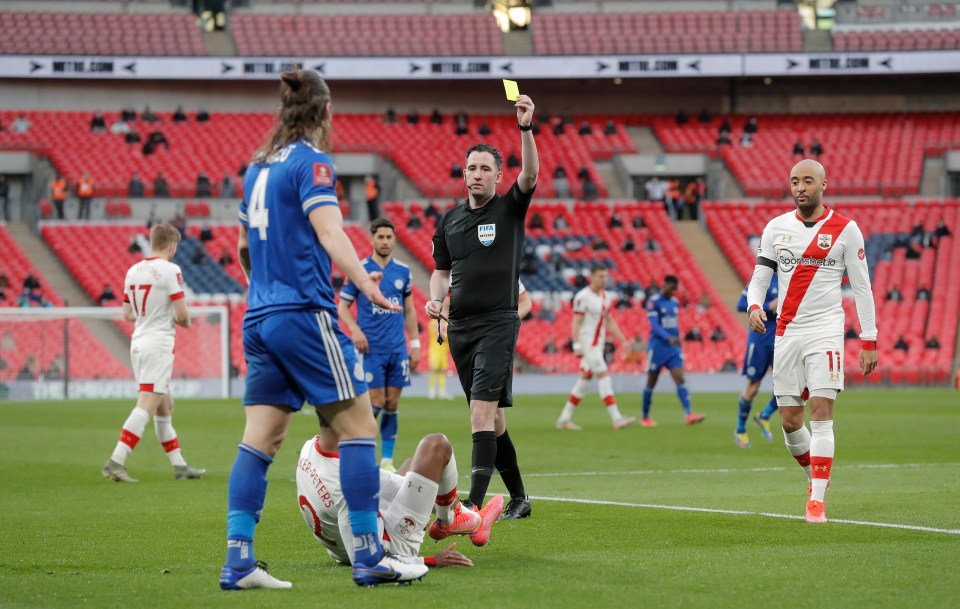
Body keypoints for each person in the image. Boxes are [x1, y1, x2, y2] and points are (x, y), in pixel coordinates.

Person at [222, 69, 424, 590]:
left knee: (259, 441)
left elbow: (244, 247)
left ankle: (239, 561)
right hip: (303, 314)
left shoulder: (257, 169)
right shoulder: (312, 163)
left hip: (259, 318)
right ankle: (368, 556)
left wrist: (263, 291)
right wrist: (368, 285)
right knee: (360, 428)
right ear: (325, 111)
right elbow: (332, 233)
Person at [425, 93, 539, 522]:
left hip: (498, 321)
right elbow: (440, 270)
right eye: (471, 167)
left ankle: (470, 505)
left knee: (479, 412)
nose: (476, 174)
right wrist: (437, 299)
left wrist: (525, 128)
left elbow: (531, 173)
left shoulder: (509, 208)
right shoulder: (450, 220)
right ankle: (520, 498)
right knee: (492, 421)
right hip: (460, 328)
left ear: (498, 175)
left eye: (485, 168)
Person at [747, 158, 878, 524]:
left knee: (822, 414)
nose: (800, 187)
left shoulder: (846, 230)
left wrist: (869, 340)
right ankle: (815, 477)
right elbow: (759, 277)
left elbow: (862, 287)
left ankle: (816, 502)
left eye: (807, 181)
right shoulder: (776, 228)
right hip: (787, 332)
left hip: (826, 331)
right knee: (790, 421)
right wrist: (755, 304)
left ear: (824, 185)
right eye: (794, 181)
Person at [296, 421, 500, 574]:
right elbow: (367, 561)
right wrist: (429, 560)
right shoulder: (349, 486)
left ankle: (458, 515)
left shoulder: (311, 448)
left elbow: (382, 482)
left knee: (414, 467)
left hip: (346, 540)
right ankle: (454, 520)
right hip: (389, 545)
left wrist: (436, 497)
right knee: (436, 446)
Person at [102, 223, 203, 484]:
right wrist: (184, 320)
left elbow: (127, 314)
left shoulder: (133, 270)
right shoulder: (171, 270)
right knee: (146, 406)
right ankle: (116, 461)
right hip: (157, 345)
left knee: (164, 406)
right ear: (171, 245)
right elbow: (182, 315)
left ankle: (180, 466)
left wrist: (150, 314)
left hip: (138, 343)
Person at [338, 218, 421, 472]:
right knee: (375, 401)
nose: (385, 241)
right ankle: (352, 447)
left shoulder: (403, 271)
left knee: (392, 403)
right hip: (370, 348)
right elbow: (342, 307)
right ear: (372, 239)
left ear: (394, 239)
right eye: (381, 237)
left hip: (397, 349)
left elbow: (409, 310)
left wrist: (415, 343)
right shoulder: (359, 270)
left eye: (389, 237)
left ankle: (386, 460)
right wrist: (355, 330)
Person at [556, 266, 635, 431]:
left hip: (598, 345)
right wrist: (577, 345)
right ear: (592, 277)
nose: (604, 280)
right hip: (587, 344)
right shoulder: (583, 297)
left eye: (606, 277)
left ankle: (564, 419)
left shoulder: (606, 297)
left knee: (584, 381)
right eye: (600, 276)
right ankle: (617, 418)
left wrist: (623, 340)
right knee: (603, 375)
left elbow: (610, 321)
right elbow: (576, 322)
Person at [641, 275, 705, 427]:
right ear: (664, 285)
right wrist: (668, 337)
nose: (671, 291)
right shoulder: (653, 302)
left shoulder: (674, 303)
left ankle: (689, 414)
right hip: (657, 347)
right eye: (670, 288)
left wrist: (676, 340)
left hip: (672, 349)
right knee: (651, 382)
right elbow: (654, 325)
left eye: (674, 289)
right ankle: (645, 417)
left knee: (680, 378)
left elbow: (673, 325)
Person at [733, 277, 780, 449]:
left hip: (780, 340)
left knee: (788, 385)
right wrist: (768, 307)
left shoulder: (788, 278)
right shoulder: (762, 278)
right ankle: (740, 429)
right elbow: (740, 305)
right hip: (759, 340)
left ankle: (764, 415)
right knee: (752, 387)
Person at [427, 318, 451, 400]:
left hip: (443, 352)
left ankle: (442, 391)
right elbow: (437, 335)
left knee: (442, 371)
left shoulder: (447, 324)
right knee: (434, 370)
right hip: (434, 351)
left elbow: (447, 337)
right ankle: (431, 391)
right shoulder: (433, 322)